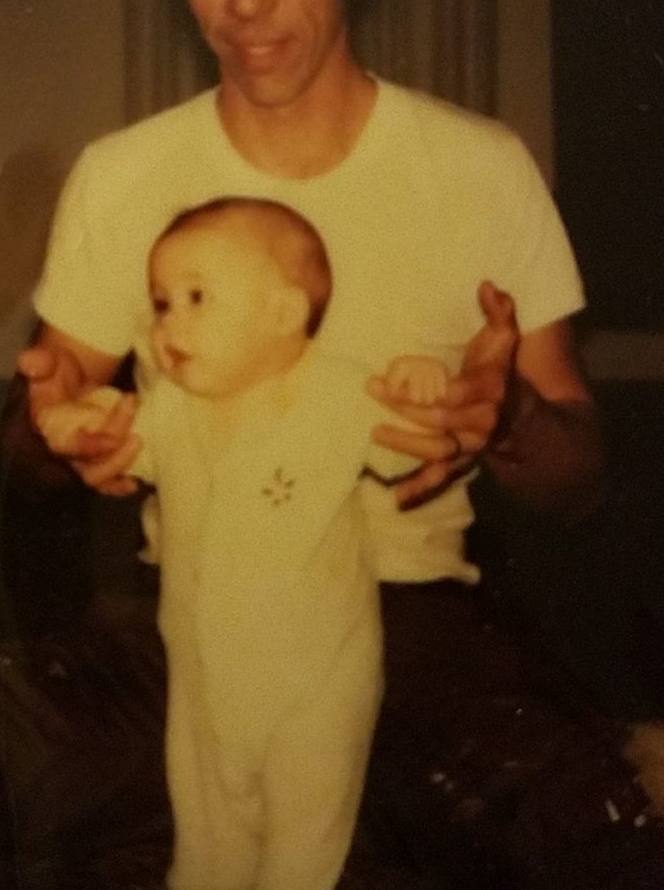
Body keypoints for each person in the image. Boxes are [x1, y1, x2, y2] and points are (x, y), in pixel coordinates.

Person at [15, 0, 664, 885]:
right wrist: (55, 433)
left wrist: (504, 415)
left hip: (418, 638)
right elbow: (32, 434)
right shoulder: (121, 178)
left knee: (623, 852)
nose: (244, 1)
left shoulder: (478, 169)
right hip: (184, 631)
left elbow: (583, 474)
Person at [40, 195, 445, 890]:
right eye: (163, 302)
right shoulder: (170, 405)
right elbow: (118, 433)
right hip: (201, 676)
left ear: (284, 315)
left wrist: (422, 389)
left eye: (198, 297)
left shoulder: (339, 394)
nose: (170, 323)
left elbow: (419, 449)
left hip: (317, 680)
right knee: (205, 832)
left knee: (302, 837)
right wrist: (77, 422)